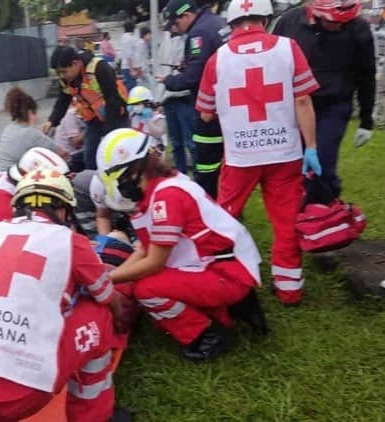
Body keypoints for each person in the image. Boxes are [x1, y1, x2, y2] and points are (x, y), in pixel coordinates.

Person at [0, 167, 127, 422]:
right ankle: (94, 415)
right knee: (98, 315)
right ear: (63, 210)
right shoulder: (70, 241)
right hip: (20, 395)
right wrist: (119, 320)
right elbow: (106, 297)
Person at [97, 128, 266, 361]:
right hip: (224, 265)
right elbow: (145, 249)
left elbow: (154, 263)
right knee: (140, 281)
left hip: (225, 273)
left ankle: (208, 334)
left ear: (135, 171)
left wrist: (106, 280)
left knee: (146, 289)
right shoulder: (168, 185)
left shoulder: (165, 198)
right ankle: (230, 309)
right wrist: (111, 276)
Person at [196, 0, 322, 306]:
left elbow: (205, 115)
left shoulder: (217, 59)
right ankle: (289, 288)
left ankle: (222, 276)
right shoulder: (288, 48)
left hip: (241, 157)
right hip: (285, 153)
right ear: (265, 18)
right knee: (286, 221)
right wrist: (312, 147)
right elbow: (303, 102)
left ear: (231, 23)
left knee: (223, 219)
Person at [273, 0, 376, 197]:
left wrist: (366, 120)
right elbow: (272, 62)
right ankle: (300, 210)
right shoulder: (290, 22)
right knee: (295, 165)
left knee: (323, 162)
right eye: (333, 22)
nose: (338, 26)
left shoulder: (358, 28)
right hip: (296, 105)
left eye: (343, 23)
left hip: (333, 106)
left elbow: (366, 75)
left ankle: (325, 208)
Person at [157, 0, 228, 198]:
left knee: (207, 165)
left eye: (176, 23)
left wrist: (170, 81)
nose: (176, 29)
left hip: (210, 109)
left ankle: (209, 207)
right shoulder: (218, 22)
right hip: (229, 103)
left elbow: (195, 76)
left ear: (186, 15)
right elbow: (206, 63)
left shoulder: (198, 33)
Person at [44, 46, 129, 170]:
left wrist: (108, 132)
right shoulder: (66, 81)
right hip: (93, 119)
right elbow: (62, 101)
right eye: (59, 73)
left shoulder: (99, 68)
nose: (62, 76)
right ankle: (94, 183)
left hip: (116, 116)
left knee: (118, 152)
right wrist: (51, 121)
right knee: (90, 157)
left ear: (76, 63)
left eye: (64, 71)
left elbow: (113, 100)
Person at [156, 25, 197, 174]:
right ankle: (181, 175)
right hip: (168, 97)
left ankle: (199, 176)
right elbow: (161, 68)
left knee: (191, 142)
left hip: (183, 96)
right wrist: (159, 99)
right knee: (176, 143)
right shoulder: (165, 39)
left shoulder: (189, 37)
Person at [0, 87, 67, 172]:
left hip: (2, 174)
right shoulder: (31, 133)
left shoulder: (8, 129)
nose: (37, 117)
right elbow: (61, 153)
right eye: (35, 113)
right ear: (30, 112)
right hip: (16, 180)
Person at [127, 86, 167, 152]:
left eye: (137, 104)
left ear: (147, 103)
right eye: (133, 104)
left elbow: (158, 133)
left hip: (154, 150)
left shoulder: (158, 117)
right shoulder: (133, 116)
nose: (135, 106)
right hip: (138, 149)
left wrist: (148, 120)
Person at [54, 104, 87, 172]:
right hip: (71, 156)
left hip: (79, 152)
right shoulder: (72, 115)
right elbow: (75, 142)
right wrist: (91, 127)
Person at [120, 21, 139, 92]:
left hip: (128, 67)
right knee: (132, 88)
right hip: (129, 67)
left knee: (132, 88)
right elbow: (129, 55)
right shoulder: (128, 39)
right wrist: (132, 70)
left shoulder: (125, 37)